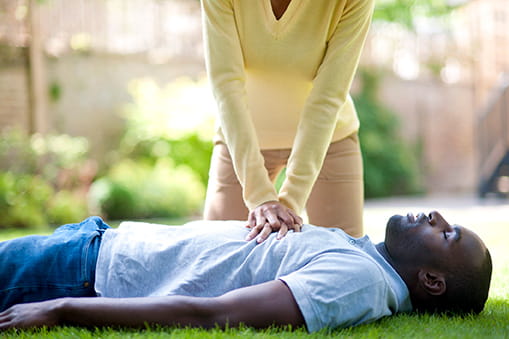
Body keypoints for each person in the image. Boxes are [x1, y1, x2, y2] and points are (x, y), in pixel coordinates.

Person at [0, 210, 492, 332]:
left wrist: (62, 307)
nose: (436, 217)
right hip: (95, 241)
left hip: (81, 272)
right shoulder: (364, 257)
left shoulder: (360, 281)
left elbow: (216, 316)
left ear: (432, 281)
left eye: (447, 235)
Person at [202, 0, 375, 237]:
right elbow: (226, 85)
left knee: (346, 257)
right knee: (214, 257)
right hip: (241, 143)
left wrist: (289, 208)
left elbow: (327, 95)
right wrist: (260, 197)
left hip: (328, 143)